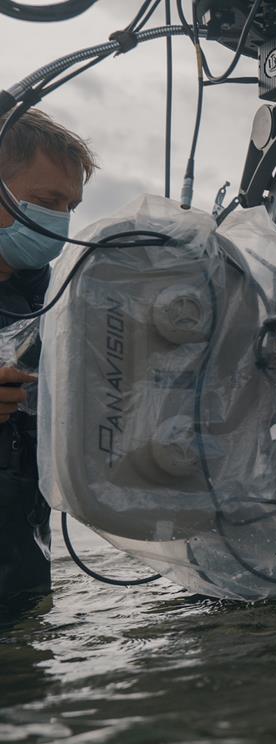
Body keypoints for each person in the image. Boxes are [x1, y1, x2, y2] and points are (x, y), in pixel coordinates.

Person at [0, 109, 93, 600]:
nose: (59, 222)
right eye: (45, 201)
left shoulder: (51, 302)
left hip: (23, 584)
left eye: (70, 206)